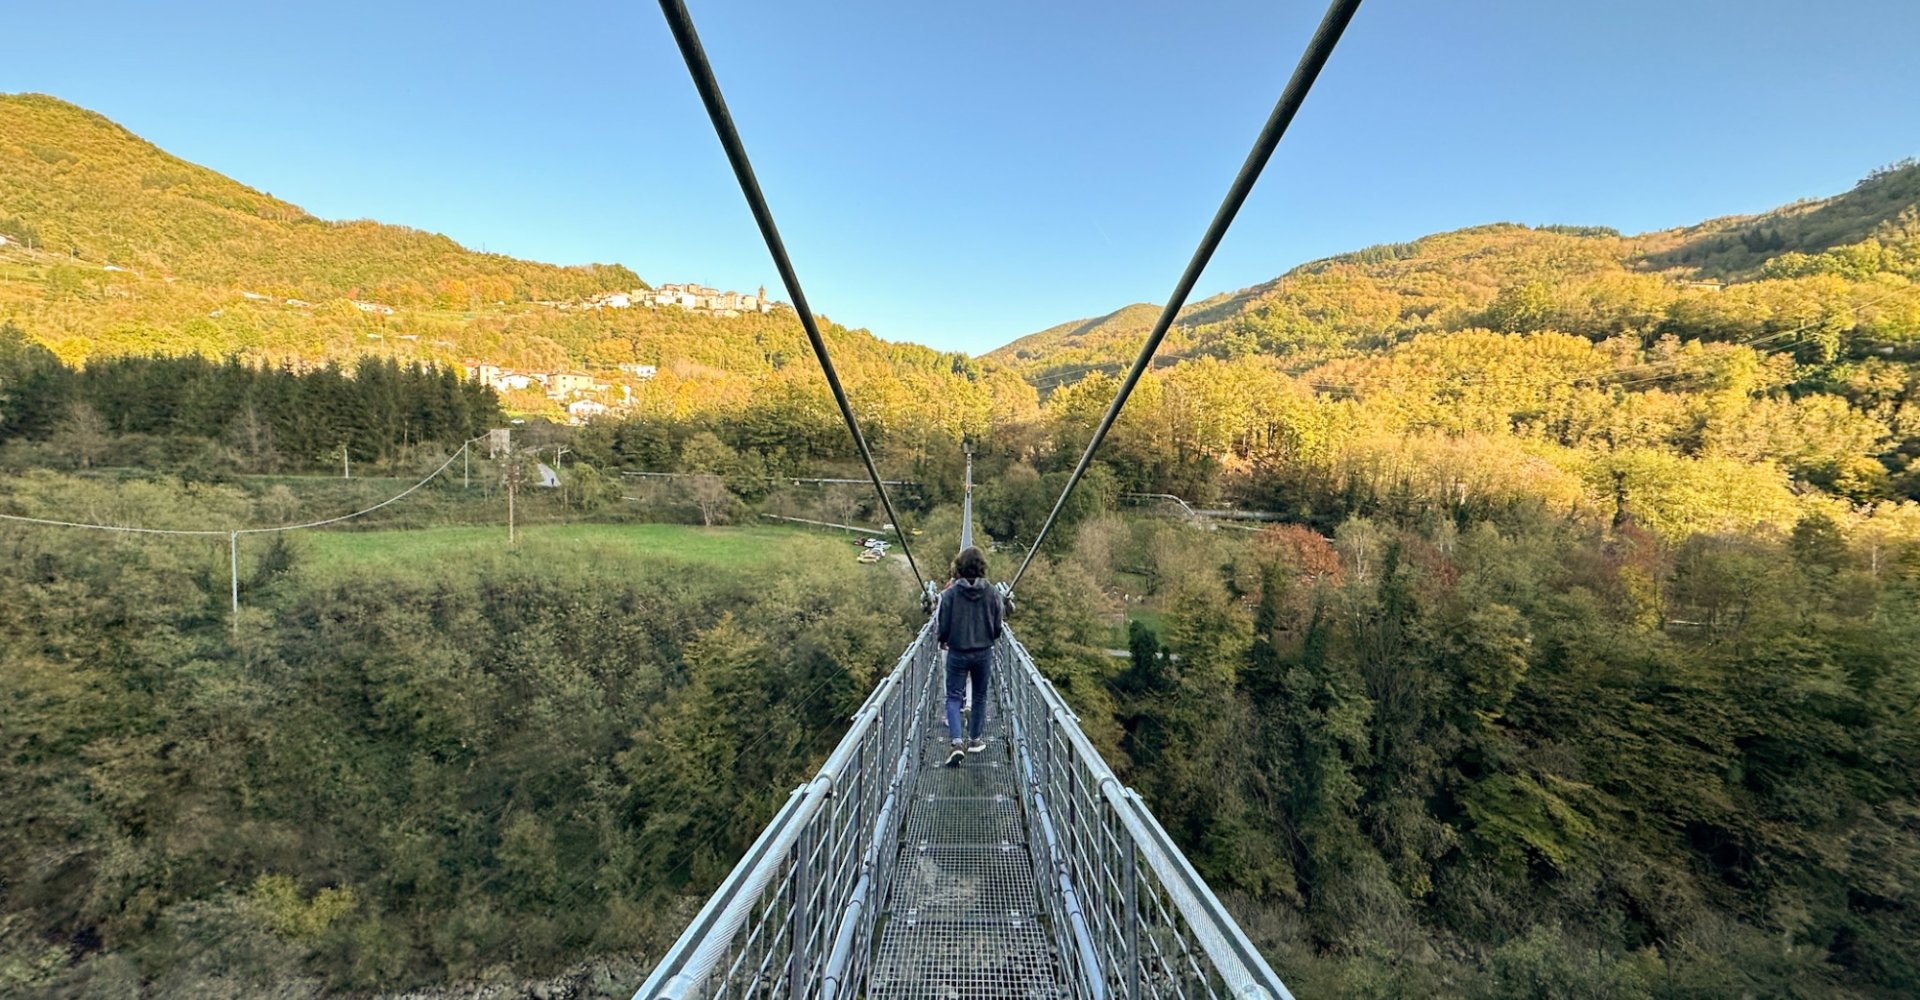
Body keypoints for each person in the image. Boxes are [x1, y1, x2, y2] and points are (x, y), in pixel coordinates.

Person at [937, 545, 1003, 767]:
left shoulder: (949, 595)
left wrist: (943, 639)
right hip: (983, 652)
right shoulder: (993, 593)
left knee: (953, 697)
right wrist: (989, 636)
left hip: (957, 652)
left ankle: (956, 742)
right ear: (982, 567)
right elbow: (997, 627)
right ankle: (974, 740)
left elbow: (943, 625)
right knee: (980, 696)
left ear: (959, 567)